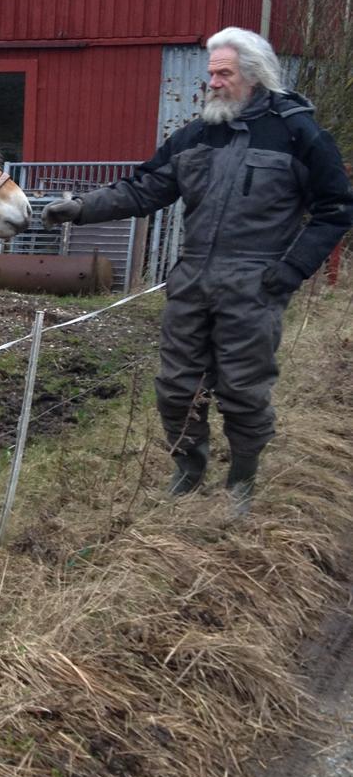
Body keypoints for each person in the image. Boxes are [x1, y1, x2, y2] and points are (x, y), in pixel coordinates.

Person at [44, 27, 353, 510]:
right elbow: (144, 189)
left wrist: (291, 270)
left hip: (255, 285)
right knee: (175, 387)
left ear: (253, 76)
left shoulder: (298, 134)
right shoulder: (196, 134)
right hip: (191, 281)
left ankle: (242, 483)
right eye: (211, 74)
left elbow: (336, 208)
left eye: (223, 74)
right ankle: (188, 471)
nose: (212, 83)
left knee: (243, 390)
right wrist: (81, 208)